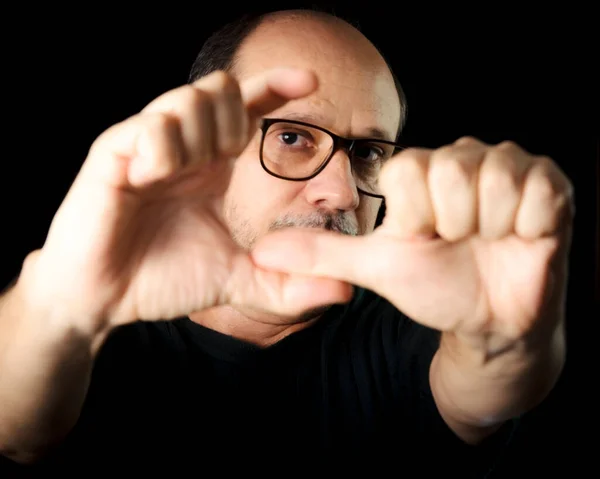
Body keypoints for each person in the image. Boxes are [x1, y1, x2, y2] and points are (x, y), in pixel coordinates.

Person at [0, 8, 573, 476]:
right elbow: (15, 433)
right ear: (203, 141)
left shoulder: (412, 327)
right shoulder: (94, 326)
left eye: (368, 153)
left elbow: (485, 386)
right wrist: (59, 308)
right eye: (293, 136)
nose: (341, 193)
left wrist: (506, 338)